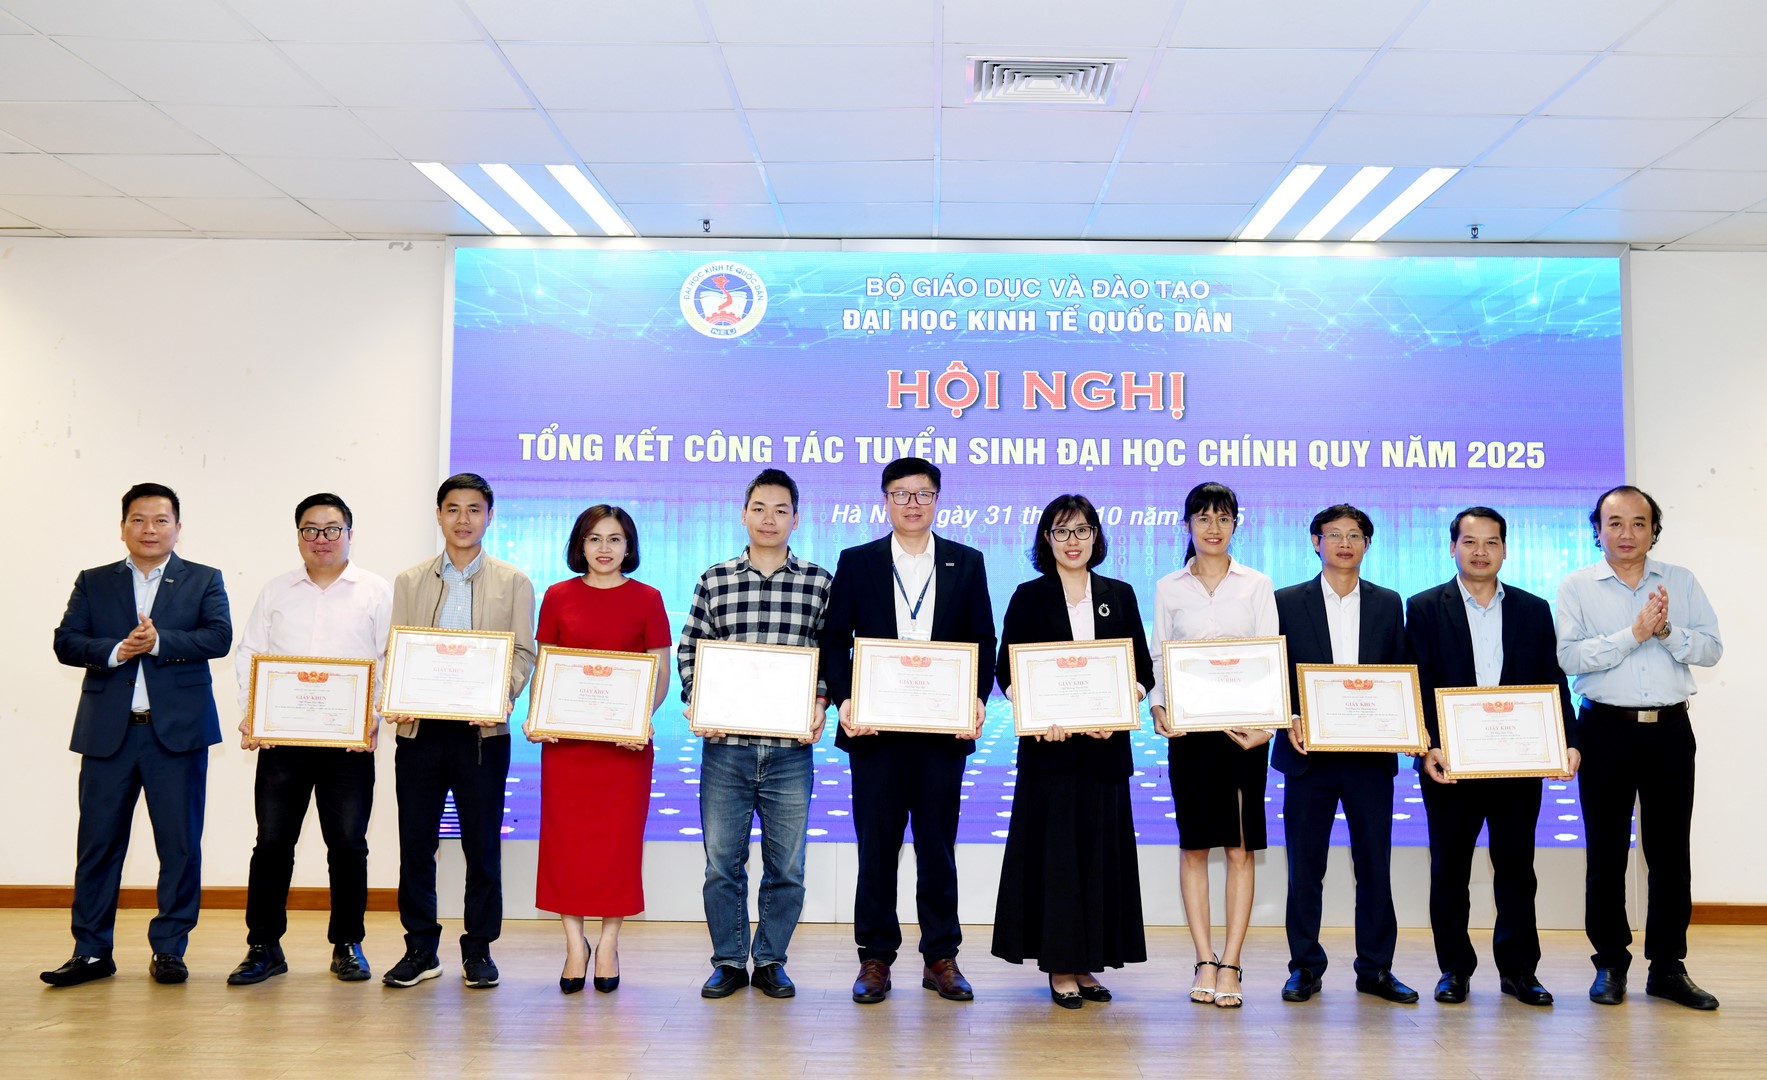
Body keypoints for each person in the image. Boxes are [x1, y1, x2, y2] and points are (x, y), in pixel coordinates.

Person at [819, 457, 996, 1005]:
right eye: (901, 493)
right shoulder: (858, 561)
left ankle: (941, 957)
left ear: (938, 500)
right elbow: (834, 640)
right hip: (875, 731)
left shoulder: (967, 561)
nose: (912, 503)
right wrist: (846, 699)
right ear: (885, 500)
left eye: (923, 494)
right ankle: (875, 958)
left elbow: (983, 640)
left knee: (937, 847)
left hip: (942, 732)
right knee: (877, 847)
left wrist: (975, 697)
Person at [44, 483, 232, 987]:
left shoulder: (203, 578)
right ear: (123, 526)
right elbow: (66, 641)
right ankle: (91, 952)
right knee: (98, 845)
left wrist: (160, 641)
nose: (150, 529)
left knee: (180, 847)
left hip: (177, 736)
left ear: (177, 527)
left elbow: (219, 637)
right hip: (109, 735)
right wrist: (116, 650)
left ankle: (169, 949)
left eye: (161, 520)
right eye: (139, 519)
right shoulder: (94, 581)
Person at [1556, 485, 1722, 1011]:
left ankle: (1668, 967)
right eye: (1615, 523)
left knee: (1670, 855)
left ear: (1654, 530)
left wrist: (1666, 630)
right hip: (1605, 730)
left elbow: (1711, 649)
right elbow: (1569, 658)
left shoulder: (1681, 581)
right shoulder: (1577, 586)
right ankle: (1610, 963)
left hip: (1669, 731)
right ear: (1597, 529)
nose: (1626, 533)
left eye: (1638, 523)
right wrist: (1633, 634)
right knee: (1606, 854)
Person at [1405, 506, 1577, 1007]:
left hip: (1517, 764)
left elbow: (1552, 682)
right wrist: (1429, 746)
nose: (1480, 552)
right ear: (1452, 547)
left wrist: (1567, 740)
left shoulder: (1532, 609)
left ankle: (1520, 971)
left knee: (1517, 870)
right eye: (1470, 541)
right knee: (1449, 871)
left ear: (1504, 549)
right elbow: (1416, 683)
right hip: (1450, 765)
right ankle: (1454, 970)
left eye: (1491, 542)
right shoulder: (1424, 607)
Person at [991, 494, 1152, 1008]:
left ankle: (1087, 964)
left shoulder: (1119, 595)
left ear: (1096, 536)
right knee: (1057, 860)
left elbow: (1142, 671)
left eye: (1082, 530)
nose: (1072, 541)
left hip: (1105, 753)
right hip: (1050, 754)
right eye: (1061, 532)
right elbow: (1006, 671)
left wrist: (1122, 707)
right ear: (1047, 539)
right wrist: (1035, 713)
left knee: (1099, 859)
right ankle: (1060, 966)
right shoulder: (1028, 596)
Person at [226, 493, 393, 986]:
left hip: (348, 745)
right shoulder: (276, 591)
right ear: (298, 535)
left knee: (348, 845)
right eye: (310, 530)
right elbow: (250, 652)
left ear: (350, 534)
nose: (322, 539)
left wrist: (371, 718)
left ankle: (348, 944)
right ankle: (263, 946)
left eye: (332, 529)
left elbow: (389, 658)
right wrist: (254, 713)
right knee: (272, 844)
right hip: (284, 742)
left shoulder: (376, 591)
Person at [678, 469, 833, 1001]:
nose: (770, 519)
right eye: (760, 508)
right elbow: (690, 648)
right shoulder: (714, 579)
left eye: (781, 510)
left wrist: (820, 700)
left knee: (787, 865)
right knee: (722, 864)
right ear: (744, 514)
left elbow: (831, 654)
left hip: (791, 750)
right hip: (727, 747)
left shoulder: (819, 582)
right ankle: (727, 960)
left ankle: (770, 960)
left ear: (796, 518)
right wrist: (699, 699)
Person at [382, 473, 536, 990]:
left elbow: (523, 652)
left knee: (482, 846)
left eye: (474, 509)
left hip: (482, 736)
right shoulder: (409, 581)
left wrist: (500, 696)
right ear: (439, 515)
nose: (463, 519)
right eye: (453, 509)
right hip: (420, 732)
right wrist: (398, 693)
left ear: (490, 516)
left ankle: (479, 949)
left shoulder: (513, 582)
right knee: (416, 844)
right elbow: (399, 650)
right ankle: (420, 948)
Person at [1273, 504, 1418, 1004]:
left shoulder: (1388, 602)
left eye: (1354, 535)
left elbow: (1399, 671)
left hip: (1369, 757)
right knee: (1304, 868)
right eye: (1333, 535)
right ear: (1316, 542)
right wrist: (1289, 716)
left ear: (1367, 544)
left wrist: (1405, 723)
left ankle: (1375, 969)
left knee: (1374, 866)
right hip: (1307, 755)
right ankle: (1304, 967)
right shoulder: (1286, 601)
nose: (1344, 544)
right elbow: (1274, 674)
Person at [527, 504, 669, 994]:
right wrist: (538, 717)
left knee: (617, 848)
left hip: (624, 750)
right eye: (594, 539)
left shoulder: (648, 598)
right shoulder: (557, 595)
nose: (604, 548)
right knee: (565, 846)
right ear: (580, 545)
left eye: (614, 539)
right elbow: (546, 666)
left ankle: (608, 943)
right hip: (568, 748)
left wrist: (639, 720)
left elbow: (658, 673)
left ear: (629, 546)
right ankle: (574, 944)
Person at [1147, 482, 1276, 1009]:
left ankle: (1232, 962)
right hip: (1191, 734)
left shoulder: (1257, 584)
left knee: (1240, 848)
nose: (1213, 528)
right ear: (1188, 525)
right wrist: (1158, 707)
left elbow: (1271, 656)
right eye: (1203, 518)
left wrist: (1268, 725)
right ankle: (1203, 959)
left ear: (1236, 524)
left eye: (1223, 518)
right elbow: (1160, 657)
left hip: (1245, 735)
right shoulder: (1169, 587)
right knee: (1195, 847)